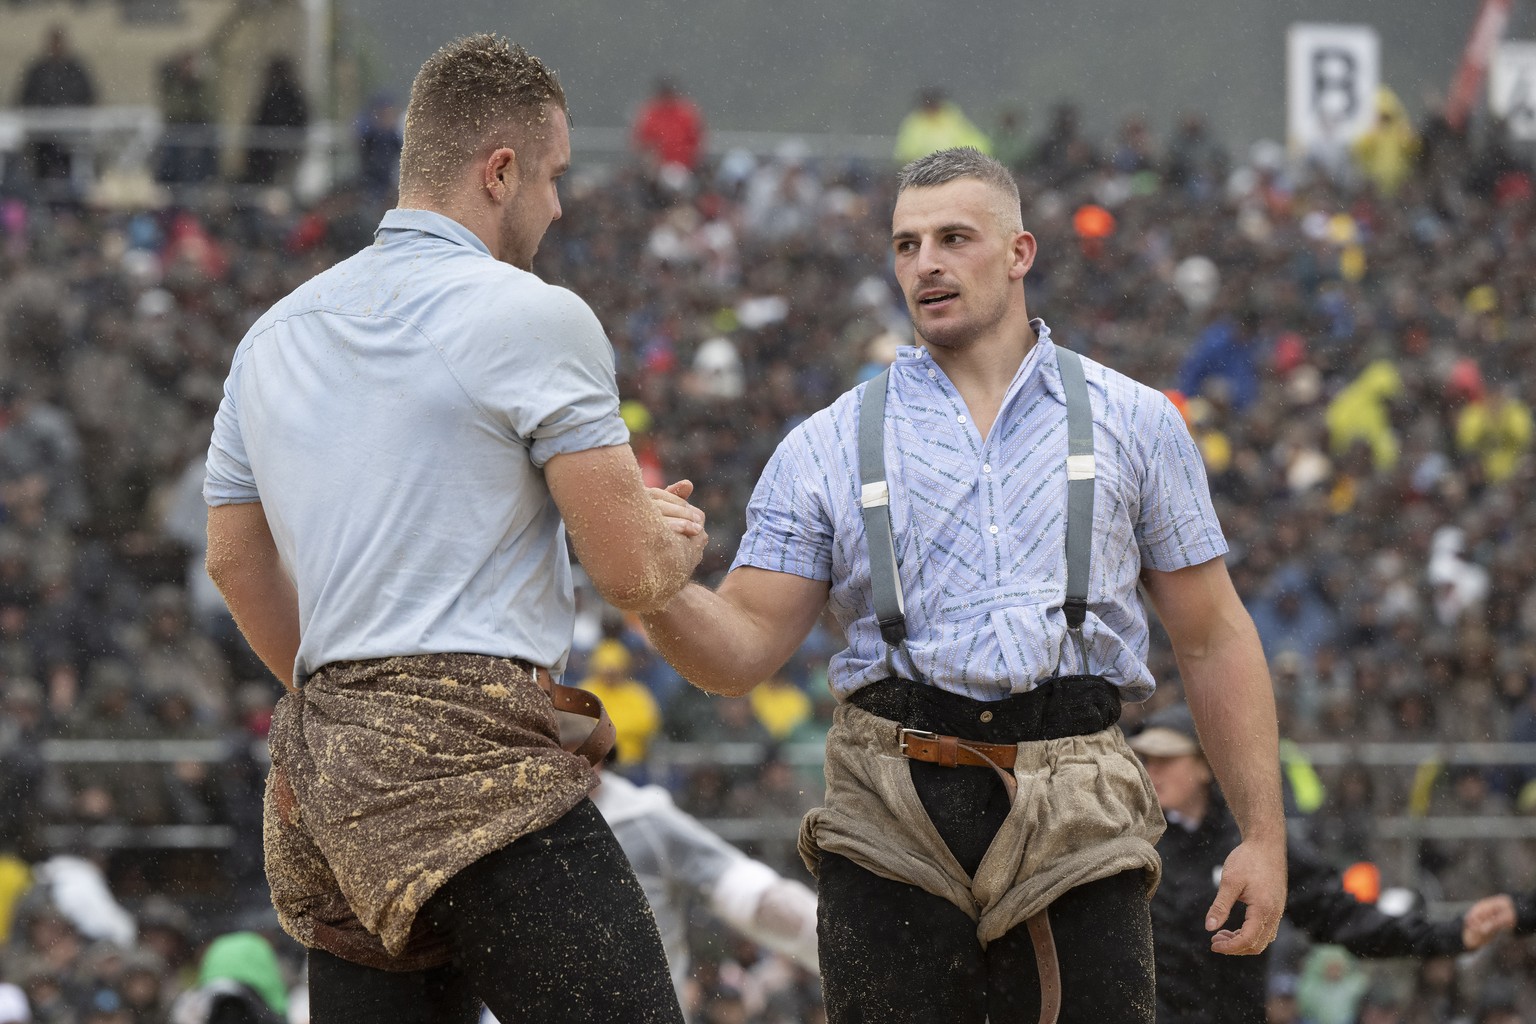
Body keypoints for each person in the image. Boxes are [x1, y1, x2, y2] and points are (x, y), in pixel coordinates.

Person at [638, 147, 1287, 1023]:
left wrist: (1263, 837)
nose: (925, 264)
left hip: (1079, 807)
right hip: (891, 807)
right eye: (906, 246)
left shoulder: (1134, 421)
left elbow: (1212, 636)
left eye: (953, 239)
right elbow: (739, 652)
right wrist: (650, 584)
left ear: (1020, 253)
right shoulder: (825, 445)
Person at [203, 34, 706, 1024]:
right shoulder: (533, 315)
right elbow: (626, 570)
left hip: (331, 779)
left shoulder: (271, 338)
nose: (560, 206)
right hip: (479, 760)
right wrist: (671, 545)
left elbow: (232, 559)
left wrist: (353, 691)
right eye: (554, 177)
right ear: (501, 171)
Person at [1130, 702, 1495, 1024]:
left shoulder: (1254, 842)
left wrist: (1446, 935)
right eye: (1146, 759)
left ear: (1205, 766)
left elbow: (1337, 913)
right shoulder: (1130, 844)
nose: (1152, 771)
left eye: (1166, 758)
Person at [15, 25, 95, 181]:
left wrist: (70, 112)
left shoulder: (76, 70)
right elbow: (24, 99)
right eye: (53, 42)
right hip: (41, 135)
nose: (56, 47)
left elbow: (89, 97)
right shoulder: (37, 70)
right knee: (41, 166)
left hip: (73, 133)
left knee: (76, 164)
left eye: (59, 42)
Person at [632, 77, 705, 172]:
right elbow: (640, 142)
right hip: (656, 168)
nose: (667, 97)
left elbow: (697, 141)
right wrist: (652, 160)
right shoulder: (650, 113)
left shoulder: (686, 113)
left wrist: (686, 161)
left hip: (684, 166)